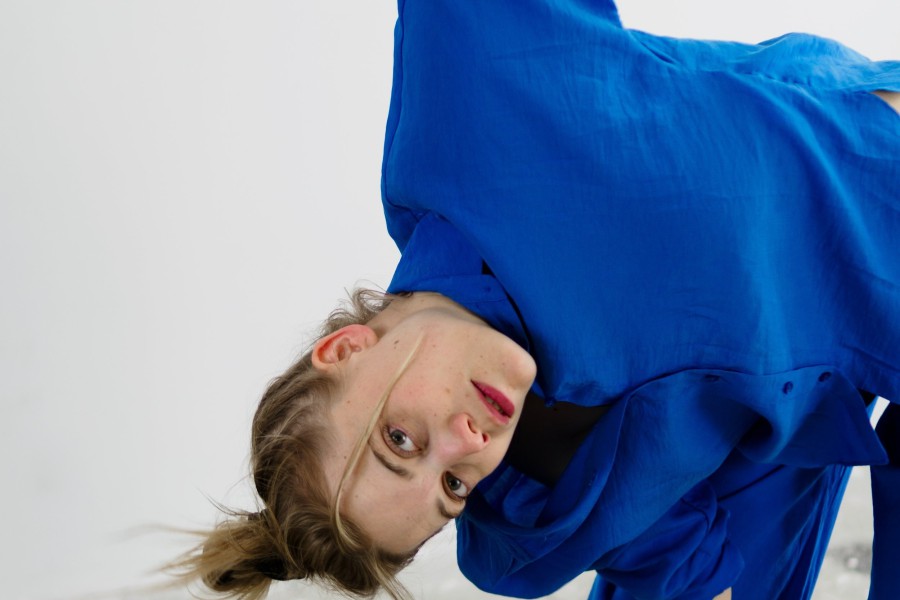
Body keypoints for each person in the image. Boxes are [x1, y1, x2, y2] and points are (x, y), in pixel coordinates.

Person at [172, 1, 900, 599]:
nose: (469, 446)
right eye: (451, 487)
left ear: (345, 348)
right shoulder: (538, 498)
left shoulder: (472, 113)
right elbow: (690, 569)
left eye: (401, 441)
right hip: (785, 437)